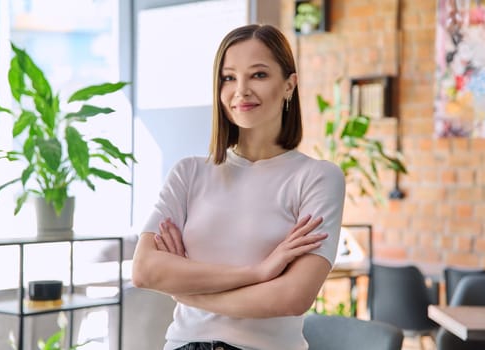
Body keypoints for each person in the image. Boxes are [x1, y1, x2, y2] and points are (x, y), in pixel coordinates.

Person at [132, 24, 345, 350]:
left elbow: (291, 297)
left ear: (289, 85)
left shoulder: (317, 178)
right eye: (229, 77)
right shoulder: (189, 173)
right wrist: (258, 272)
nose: (241, 90)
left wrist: (188, 289)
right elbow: (145, 270)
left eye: (258, 75)